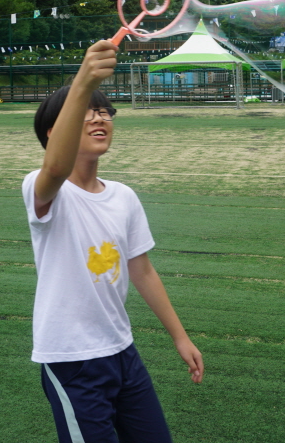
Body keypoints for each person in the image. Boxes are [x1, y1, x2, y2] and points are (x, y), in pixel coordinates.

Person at [23, 39, 203, 443]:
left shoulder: (123, 196)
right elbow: (54, 166)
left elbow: (142, 270)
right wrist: (84, 82)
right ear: (55, 131)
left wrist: (180, 336)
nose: (99, 118)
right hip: (71, 360)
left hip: (122, 352)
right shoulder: (43, 189)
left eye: (104, 112)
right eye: (86, 113)